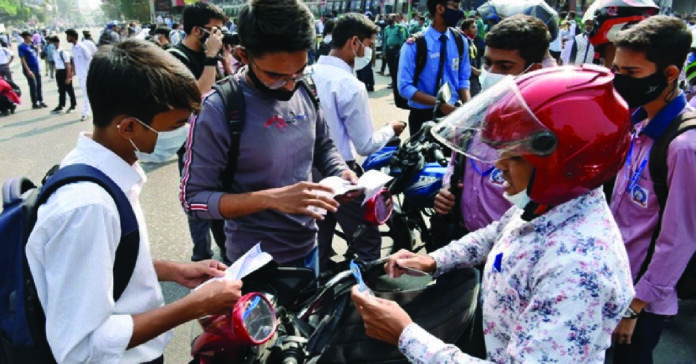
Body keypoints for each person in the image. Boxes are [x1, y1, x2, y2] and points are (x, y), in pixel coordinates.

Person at [352, 65, 635, 363]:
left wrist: (404, 335)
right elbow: (495, 234)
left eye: (513, 157)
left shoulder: (577, 270)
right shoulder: (549, 204)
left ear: (564, 168)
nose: (499, 165)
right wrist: (435, 260)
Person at [25, 39, 242, 364]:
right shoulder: (88, 207)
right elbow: (82, 346)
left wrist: (173, 271)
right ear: (127, 126)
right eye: (175, 126)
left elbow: (101, 265)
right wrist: (194, 306)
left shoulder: (101, 172)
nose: (185, 134)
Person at [180, 0, 356, 274]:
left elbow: (324, 146)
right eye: (275, 76)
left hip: (310, 247)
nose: (289, 84)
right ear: (243, 55)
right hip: (255, 263)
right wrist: (271, 199)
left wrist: (341, 172)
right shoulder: (218, 108)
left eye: (298, 71)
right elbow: (193, 200)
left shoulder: (305, 88)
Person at [608, 15, 696, 364]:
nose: (618, 81)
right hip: (612, 278)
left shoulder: (684, 147)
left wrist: (636, 306)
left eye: (631, 74)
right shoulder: (637, 119)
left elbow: (680, 238)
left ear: (670, 74)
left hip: (640, 299)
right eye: (616, 69)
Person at [433, 14, 549, 246]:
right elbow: (456, 164)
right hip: (463, 241)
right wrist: (447, 189)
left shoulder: (542, 134)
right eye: (488, 64)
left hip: (510, 247)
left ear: (532, 70)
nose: (491, 73)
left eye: (504, 66)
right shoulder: (476, 115)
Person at [312, 13, 406, 271]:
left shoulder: (307, 74)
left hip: (307, 172)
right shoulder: (350, 85)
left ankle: (314, 296)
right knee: (367, 240)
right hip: (340, 171)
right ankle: (364, 294)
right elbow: (365, 145)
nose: (370, 51)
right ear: (355, 42)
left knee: (318, 238)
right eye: (369, 43)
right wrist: (390, 129)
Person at [168, 2, 230, 264]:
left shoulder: (211, 53)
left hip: (217, 139)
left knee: (222, 198)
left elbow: (225, 88)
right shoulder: (175, 57)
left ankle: (226, 251)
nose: (219, 36)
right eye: (214, 31)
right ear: (197, 30)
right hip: (191, 143)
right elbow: (197, 97)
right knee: (198, 201)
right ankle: (201, 256)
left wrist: (224, 60)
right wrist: (211, 58)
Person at [397, 0, 470, 136]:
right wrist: (439, 104)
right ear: (440, 9)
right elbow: (404, 87)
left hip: (454, 114)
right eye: (455, 6)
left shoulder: (460, 41)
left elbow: (463, 79)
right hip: (422, 116)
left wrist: (469, 107)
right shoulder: (415, 45)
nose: (459, 12)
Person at [66, 28, 95, 121]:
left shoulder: (82, 47)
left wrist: (89, 72)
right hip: (80, 74)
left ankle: (85, 113)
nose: (67, 38)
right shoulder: (73, 48)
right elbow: (75, 61)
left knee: (86, 94)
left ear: (74, 37)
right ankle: (90, 111)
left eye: (68, 36)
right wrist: (72, 72)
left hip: (85, 74)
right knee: (86, 94)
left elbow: (90, 59)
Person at [18, 30, 47, 109]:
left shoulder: (31, 46)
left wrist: (36, 47)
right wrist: (28, 70)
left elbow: (37, 54)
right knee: (33, 86)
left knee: (39, 85)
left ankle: (40, 100)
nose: (32, 38)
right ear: (26, 37)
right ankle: (34, 102)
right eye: (31, 37)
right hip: (30, 69)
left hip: (36, 68)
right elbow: (22, 59)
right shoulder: (22, 47)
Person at [51, 37, 77, 114]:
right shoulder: (54, 52)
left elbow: (68, 65)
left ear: (58, 42)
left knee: (69, 89)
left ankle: (73, 105)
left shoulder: (63, 53)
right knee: (61, 90)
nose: (54, 45)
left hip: (65, 71)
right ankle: (61, 105)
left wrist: (69, 77)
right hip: (59, 72)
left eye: (55, 43)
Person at [384, 13, 409, 90]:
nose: (389, 19)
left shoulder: (400, 28)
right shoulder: (386, 29)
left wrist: (401, 51)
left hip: (396, 49)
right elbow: (384, 40)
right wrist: (384, 51)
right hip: (389, 50)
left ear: (395, 19)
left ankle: (397, 82)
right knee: (391, 67)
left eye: (391, 18)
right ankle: (393, 81)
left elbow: (402, 39)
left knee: (397, 67)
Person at [460, 18, 482, 97]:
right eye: (473, 27)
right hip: (468, 79)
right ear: (466, 30)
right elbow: (461, 61)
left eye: (475, 27)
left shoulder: (472, 42)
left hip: (474, 78)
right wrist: (474, 70)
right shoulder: (463, 43)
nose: (476, 29)